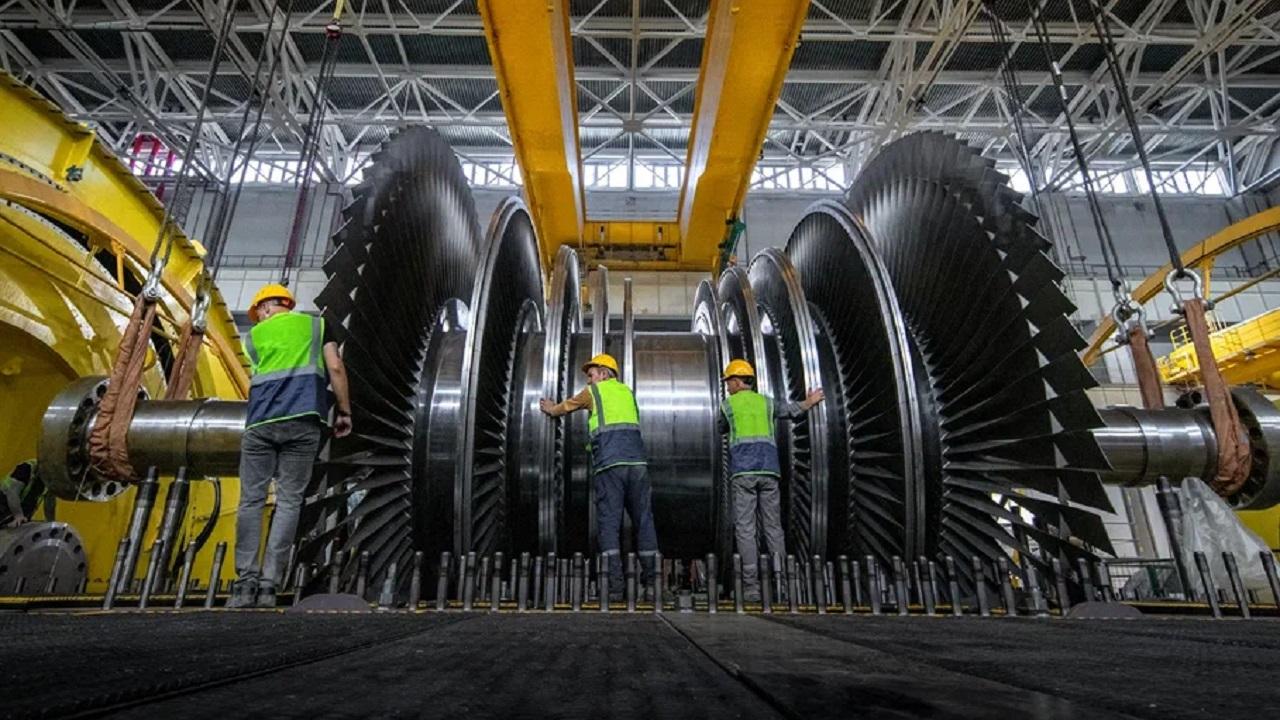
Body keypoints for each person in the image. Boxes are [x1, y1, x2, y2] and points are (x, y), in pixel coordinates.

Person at [230, 283, 352, 608]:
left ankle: (244, 585)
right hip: (303, 423)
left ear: (269, 305)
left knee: (251, 502)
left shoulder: (252, 339)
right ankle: (270, 586)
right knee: (289, 501)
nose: (260, 317)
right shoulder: (318, 325)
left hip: (260, 425)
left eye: (260, 312)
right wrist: (343, 411)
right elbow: (336, 368)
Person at [540, 353, 659, 602]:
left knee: (609, 525)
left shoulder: (593, 393)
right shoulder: (628, 392)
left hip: (610, 468)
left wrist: (551, 409)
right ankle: (652, 585)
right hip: (638, 466)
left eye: (591, 374)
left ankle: (615, 588)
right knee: (644, 523)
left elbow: (568, 405)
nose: (589, 380)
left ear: (604, 374)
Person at [718, 359, 823, 602]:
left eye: (728, 382)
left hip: (743, 474)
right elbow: (790, 410)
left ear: (736, 381)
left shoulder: (728, 405)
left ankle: (752, 588)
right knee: (773, 528)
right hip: (769, 473)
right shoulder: (766, 403)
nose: (727, 387)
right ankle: (784, 585)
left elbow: (720, 427)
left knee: (746, 530)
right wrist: (810, 402)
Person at [1, 459, 47, 527]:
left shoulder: (50, 478)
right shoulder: (26, 468)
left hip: (19, 514)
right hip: (3, 505)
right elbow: (12, 493)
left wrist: (51, 522)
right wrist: (18, 515)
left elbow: (50, 503)